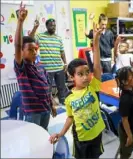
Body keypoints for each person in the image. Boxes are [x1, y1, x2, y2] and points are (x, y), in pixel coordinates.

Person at [49, 23, 105, 159]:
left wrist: (96, 42)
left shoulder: (93, 87)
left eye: (87, 72)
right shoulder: (68, 97)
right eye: (80, 74)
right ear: (71, 76)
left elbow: (96, 66)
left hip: (97, 135)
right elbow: (70, 117)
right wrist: (60, 134)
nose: (86, 77)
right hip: (81, 139)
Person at [14, 2, 56, 130]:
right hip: (33, 112)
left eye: (35, 49)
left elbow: (46, 86)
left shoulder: (40, 65)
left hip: (45, 108)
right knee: (33, 136)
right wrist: (20, 22)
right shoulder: (22, 68)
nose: (34, 52)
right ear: (22, 52)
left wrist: (52, 103)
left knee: (44, 133)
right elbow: (18, 45)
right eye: (30, 50)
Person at [29, 17, 67, 105]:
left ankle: (64, 104)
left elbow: (62, 51)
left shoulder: (58, 38)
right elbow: (30, 39)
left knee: (62, 88)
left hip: (59, 68)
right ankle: (48, 106)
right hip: (46, 69)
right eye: (51, 26)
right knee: (47, 89)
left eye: (54, 26)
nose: (53, 27)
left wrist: (65, 63)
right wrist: (35, 28)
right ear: (46, 26)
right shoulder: (40, 36)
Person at [115, 66, 133, 159]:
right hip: (129, 132)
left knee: (126, 150)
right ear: (125, 82)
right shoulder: (125, 99)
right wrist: (130, 136)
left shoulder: (132, 89)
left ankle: (122, 150)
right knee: (125, 155)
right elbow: (124, 120)